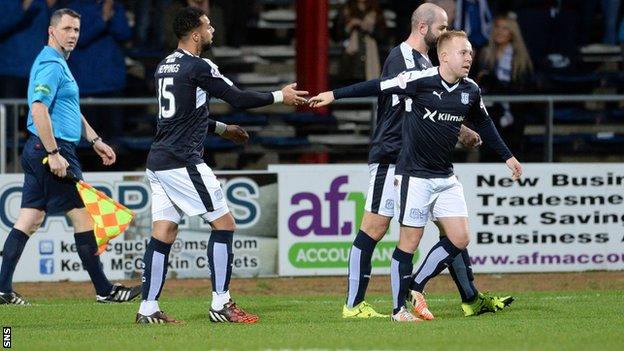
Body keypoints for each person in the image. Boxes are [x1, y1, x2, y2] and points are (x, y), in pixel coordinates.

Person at [309, 30, 523, 322]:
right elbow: (379, 86)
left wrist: (508, 157)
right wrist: (334, 95)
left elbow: (485, 125)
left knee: (460, 238)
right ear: (444, 56)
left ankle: (416, 285)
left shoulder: (471, 89)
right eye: (463, 52)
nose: (469, 58)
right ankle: (399, 309)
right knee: (408, 241)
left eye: (471, 53)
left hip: (445, 176)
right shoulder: (417, 80)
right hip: (415, 175)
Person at [135, 7, 307, 324]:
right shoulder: (199, 67)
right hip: (182, 161)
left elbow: (182, 116)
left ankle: (147, 309)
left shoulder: (165, 66)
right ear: (196, 33)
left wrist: (222, 129)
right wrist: (279, 96)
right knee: (224, 224)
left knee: (164, 232)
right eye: (208, 25)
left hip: (159, 160)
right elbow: (238, 98)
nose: (213, 29)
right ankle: (221, 304)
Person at [0, 8, 140, 305]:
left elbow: (68, 110)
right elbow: (38, 109)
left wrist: (95, 139)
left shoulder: (58, 63)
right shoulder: (51, 64)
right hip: (52, 150)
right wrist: (54, 153)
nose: (73, 35)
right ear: (52, 31)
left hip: (40, 148)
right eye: (67, 29)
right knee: (83, 217)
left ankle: (2, 289)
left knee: (30, 218)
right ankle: (105, 290)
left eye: (76, 30)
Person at [477, 14, 533, 161]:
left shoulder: (521, 59)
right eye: (497, 27)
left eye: (505, 28)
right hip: (490, 113)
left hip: (514, 115)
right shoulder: (484, 54)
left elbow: (522, 90)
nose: (499, 32)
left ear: (512, 33)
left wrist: (496, 83)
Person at [332, 0, 388, 84]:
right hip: (350, 59)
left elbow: (383, 36)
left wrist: (369, 28)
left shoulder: (375, 10)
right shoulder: (346, 10)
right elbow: (336, 35)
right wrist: (349, 27)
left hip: (371, 57)